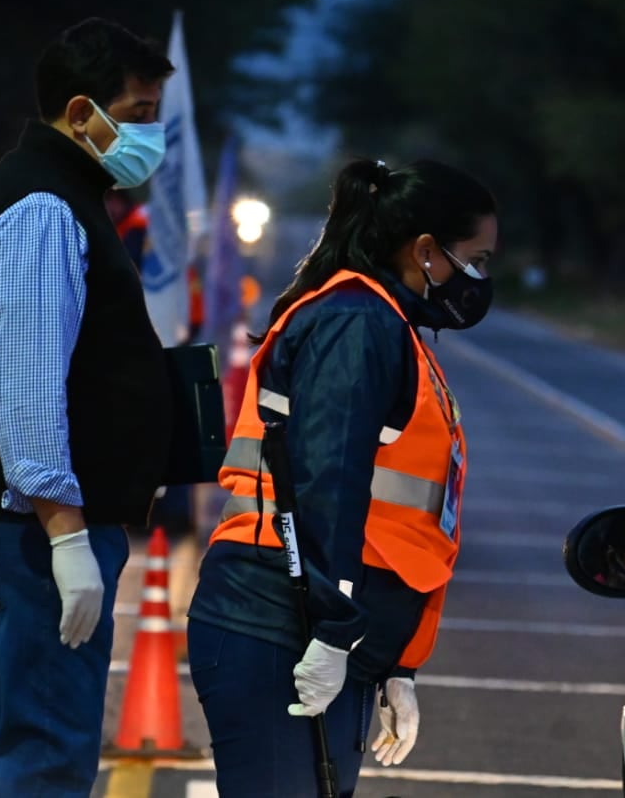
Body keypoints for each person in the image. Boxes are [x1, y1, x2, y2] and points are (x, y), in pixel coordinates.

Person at [187, 157, 498, 796]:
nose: (479, 278)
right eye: (476, 259)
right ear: (425, 251)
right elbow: (329, 481)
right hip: (280, 623)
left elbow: (396, 514)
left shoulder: (383, 322)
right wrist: (334, 632)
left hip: (313, 627)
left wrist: (395, 665)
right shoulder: (357, 322)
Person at [0, 17, 175, 798]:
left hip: (18, 525)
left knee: (8, 745)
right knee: (45, 754)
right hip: (28, 530)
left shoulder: (59, 195)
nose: (150, 135)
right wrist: (66, 536)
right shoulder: (44, 207)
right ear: (79, 113)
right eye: (136, 114)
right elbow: (28, 383)